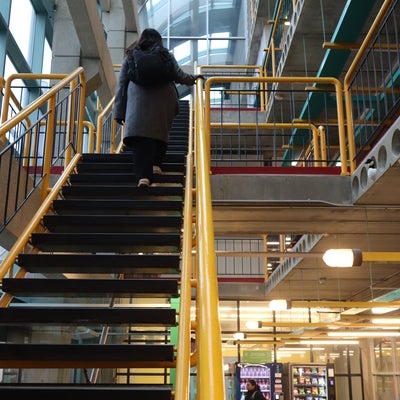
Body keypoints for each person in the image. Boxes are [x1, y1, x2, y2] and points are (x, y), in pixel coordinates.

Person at [113, 28, 202, 187]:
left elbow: (121, 85)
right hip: (164, 99)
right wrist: (195, 78)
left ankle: (144, 177)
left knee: (141, 135)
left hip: (138, 102)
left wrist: (119, 112)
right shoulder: (165, 55)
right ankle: (156, 165)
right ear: (158, 40)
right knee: (160, 131)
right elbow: (180, 75)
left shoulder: (131, 56)